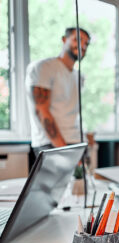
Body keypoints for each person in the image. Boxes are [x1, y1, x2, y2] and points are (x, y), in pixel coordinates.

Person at [26, 27, 91, 156]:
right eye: (77, 39)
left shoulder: (79, 76)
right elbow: (42, 111)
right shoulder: (44, 67)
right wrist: (64, 150)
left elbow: (71, 112)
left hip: (77, 142)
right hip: (51, 145)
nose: (82, 45)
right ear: (64, 40)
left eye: (86, 43)